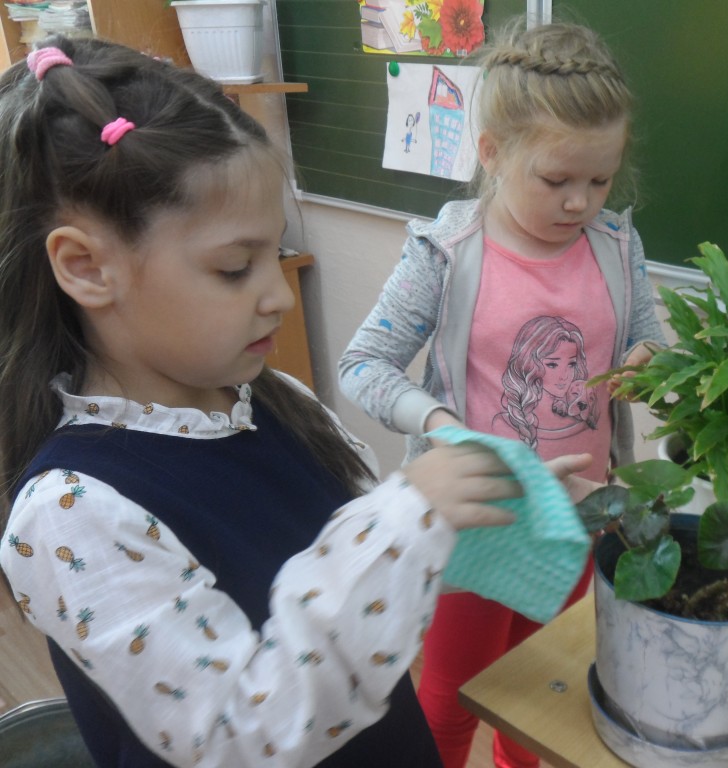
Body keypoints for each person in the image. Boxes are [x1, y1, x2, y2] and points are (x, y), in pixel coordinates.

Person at [0, 36, 593, 768]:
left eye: (275, 255)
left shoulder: (270, 401)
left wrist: (477, 507)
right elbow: (240, 735)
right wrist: (404, 517)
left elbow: (356, 580)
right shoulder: (71, 512)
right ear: (87, 267)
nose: (278, 295)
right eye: (234, 267)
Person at [338, 19, 667, 768]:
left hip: (581, 516)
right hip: (480, 523)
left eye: (600, 180)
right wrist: (444, 426)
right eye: (556, 181)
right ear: (491, 152)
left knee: (542, 696)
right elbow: (363, 364)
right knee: (454, 696)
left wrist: (651, 363)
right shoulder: (446, 252)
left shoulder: (618, 246)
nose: (580, 202)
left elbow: (650, 338)